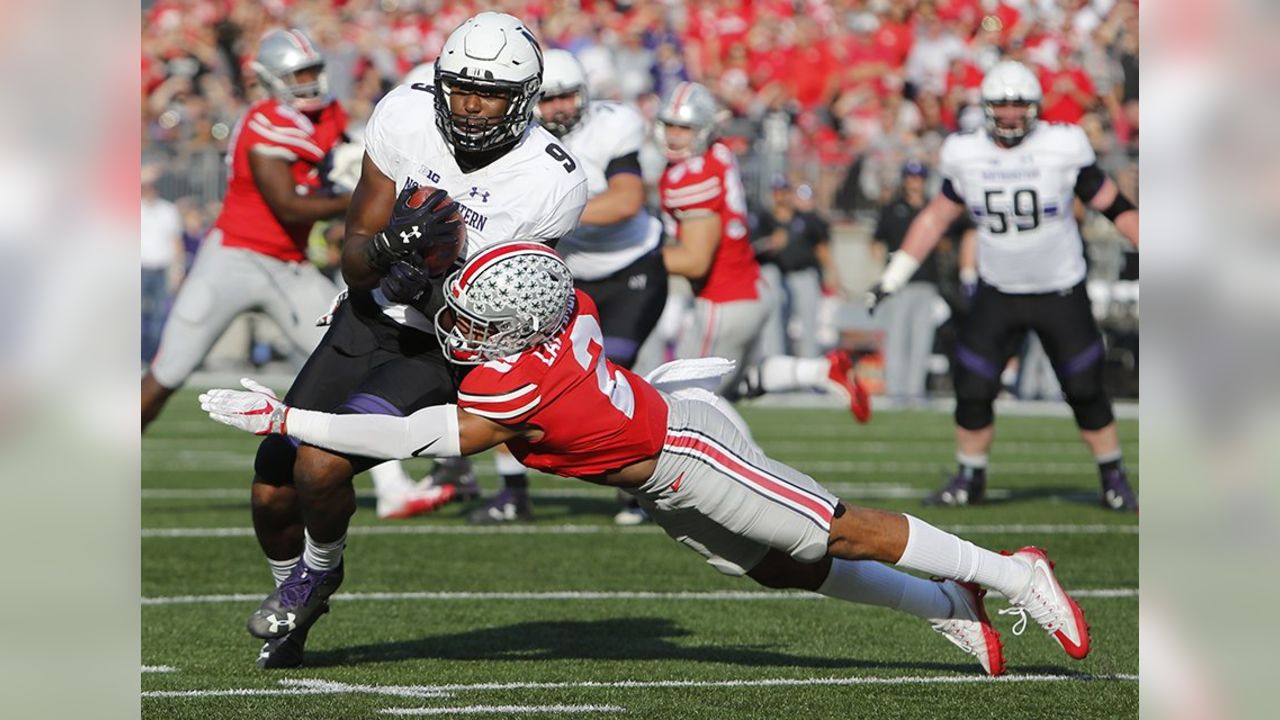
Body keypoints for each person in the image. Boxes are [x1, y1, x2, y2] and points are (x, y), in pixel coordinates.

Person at [202, 241, 1093, 677]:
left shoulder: (516, 382)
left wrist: (287, 416)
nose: (462, 329)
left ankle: (1014, 573)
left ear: (518, 325)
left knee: (835, 531)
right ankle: (948, 603)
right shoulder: (562, 312)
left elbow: (407, 441)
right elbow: (543, 309)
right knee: (782, 573)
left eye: (479, 320)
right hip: (657, 446)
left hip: (686, 453)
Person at [241, 12, 587, 670]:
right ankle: (294, 598)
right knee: (272, 487)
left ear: (525, 98)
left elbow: (516, 314)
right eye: (458, 87)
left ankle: (319, 572)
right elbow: (353, 258)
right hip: (370, 317)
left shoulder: (551, 179)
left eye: (489, 93)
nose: (470, 105)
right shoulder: (405, 115)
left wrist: (432, 284)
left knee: (322, 462)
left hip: (444, 345)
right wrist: (387, 249)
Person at [866, 61, 1140, 511]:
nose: (1011, 113)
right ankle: (969, 478)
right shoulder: (965, 153)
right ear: (987, 108)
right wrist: (893, 277)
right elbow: (937, 216)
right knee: (973, 385)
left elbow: (1115, 206)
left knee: (1086, 387)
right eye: (1002, 104)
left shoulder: (1062, 145)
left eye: (1020, 104)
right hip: (998, 291)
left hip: (1060, 289)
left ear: (1036, 108)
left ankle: (1113, 477)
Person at [460, 49, 670, 526]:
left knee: (610, 374)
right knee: (505, 369)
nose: (556, 108)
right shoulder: (514, 139)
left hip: (630, 269)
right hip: (561, 276)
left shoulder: (615, 126)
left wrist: (539, 214)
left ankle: (631, 485)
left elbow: (625, 201)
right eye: (547, 98)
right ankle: (513, 492)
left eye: (566, 97)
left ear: (586, 95)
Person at [140, 28, 350, 430]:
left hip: (289, 265)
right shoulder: (264, 121)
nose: (308, 82)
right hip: (234, 258)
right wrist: (354, 199)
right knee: (168, 372)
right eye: (296, 75)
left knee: (348, 362)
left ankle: (394, 487)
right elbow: (288, 206)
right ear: (270, 78)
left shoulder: (330, 116)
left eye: (312, 71)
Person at [655, 82, 871, 422]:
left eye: (685, 128)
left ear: (703, 130)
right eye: (670, 126)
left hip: (723, 300)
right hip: (750, 288)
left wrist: (639, 256)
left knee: (684, 405)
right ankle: (819, 371)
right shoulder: (718, 152)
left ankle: (750, 470)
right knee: (741, 382)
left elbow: (696, 262)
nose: (675, 136)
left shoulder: (692, 176)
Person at [871, 160, 946, 402]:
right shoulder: (893, 209)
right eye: (911, 177)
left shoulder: (934, 210)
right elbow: (876, 241)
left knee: (920, 340)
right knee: (896, 339)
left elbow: (947, 242)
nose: (915, 182)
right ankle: (895, 391)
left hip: (926, 281)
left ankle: (915, 392)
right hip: (898, 285)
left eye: (919, 177)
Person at [754, 179, 840, 360]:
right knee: (777, 324)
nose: (781, 196)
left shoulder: (805, 219)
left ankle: (809, 368)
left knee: (809, 326)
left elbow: (821, 247)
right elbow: (752, 248)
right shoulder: (765, 219)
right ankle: (778, 365)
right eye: (777, 192)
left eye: (784, 191)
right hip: (777, 278)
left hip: (803, 275)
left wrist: (832, 273)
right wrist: (770, 243)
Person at [140, 164, 184, 363]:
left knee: (159, 316)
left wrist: (177, 270)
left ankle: (152, 358)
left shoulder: (168, 210)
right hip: (139, 268)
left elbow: (176, 243)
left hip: (160, 269)